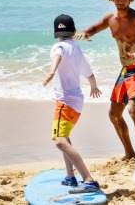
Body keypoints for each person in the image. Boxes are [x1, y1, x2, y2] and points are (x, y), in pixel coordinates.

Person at [73, 0, 135, 164]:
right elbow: (94, 28)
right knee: (114, 114)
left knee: (134, 109)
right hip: (126, 70)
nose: (121, 1)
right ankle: (130, 153)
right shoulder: (110, 19)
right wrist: (85, 32)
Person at [43, 14, 102, 194]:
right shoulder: (76, 48)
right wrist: (94, 86)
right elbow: (88, 72)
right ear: (74, 31)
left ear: (55, 32)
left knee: (60, 141)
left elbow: (57, 55)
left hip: (65, 102)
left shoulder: (58, 46)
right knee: (65, 137)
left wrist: (52, 71)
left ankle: (88, 179)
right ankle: (70, 176)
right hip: (76, 101)